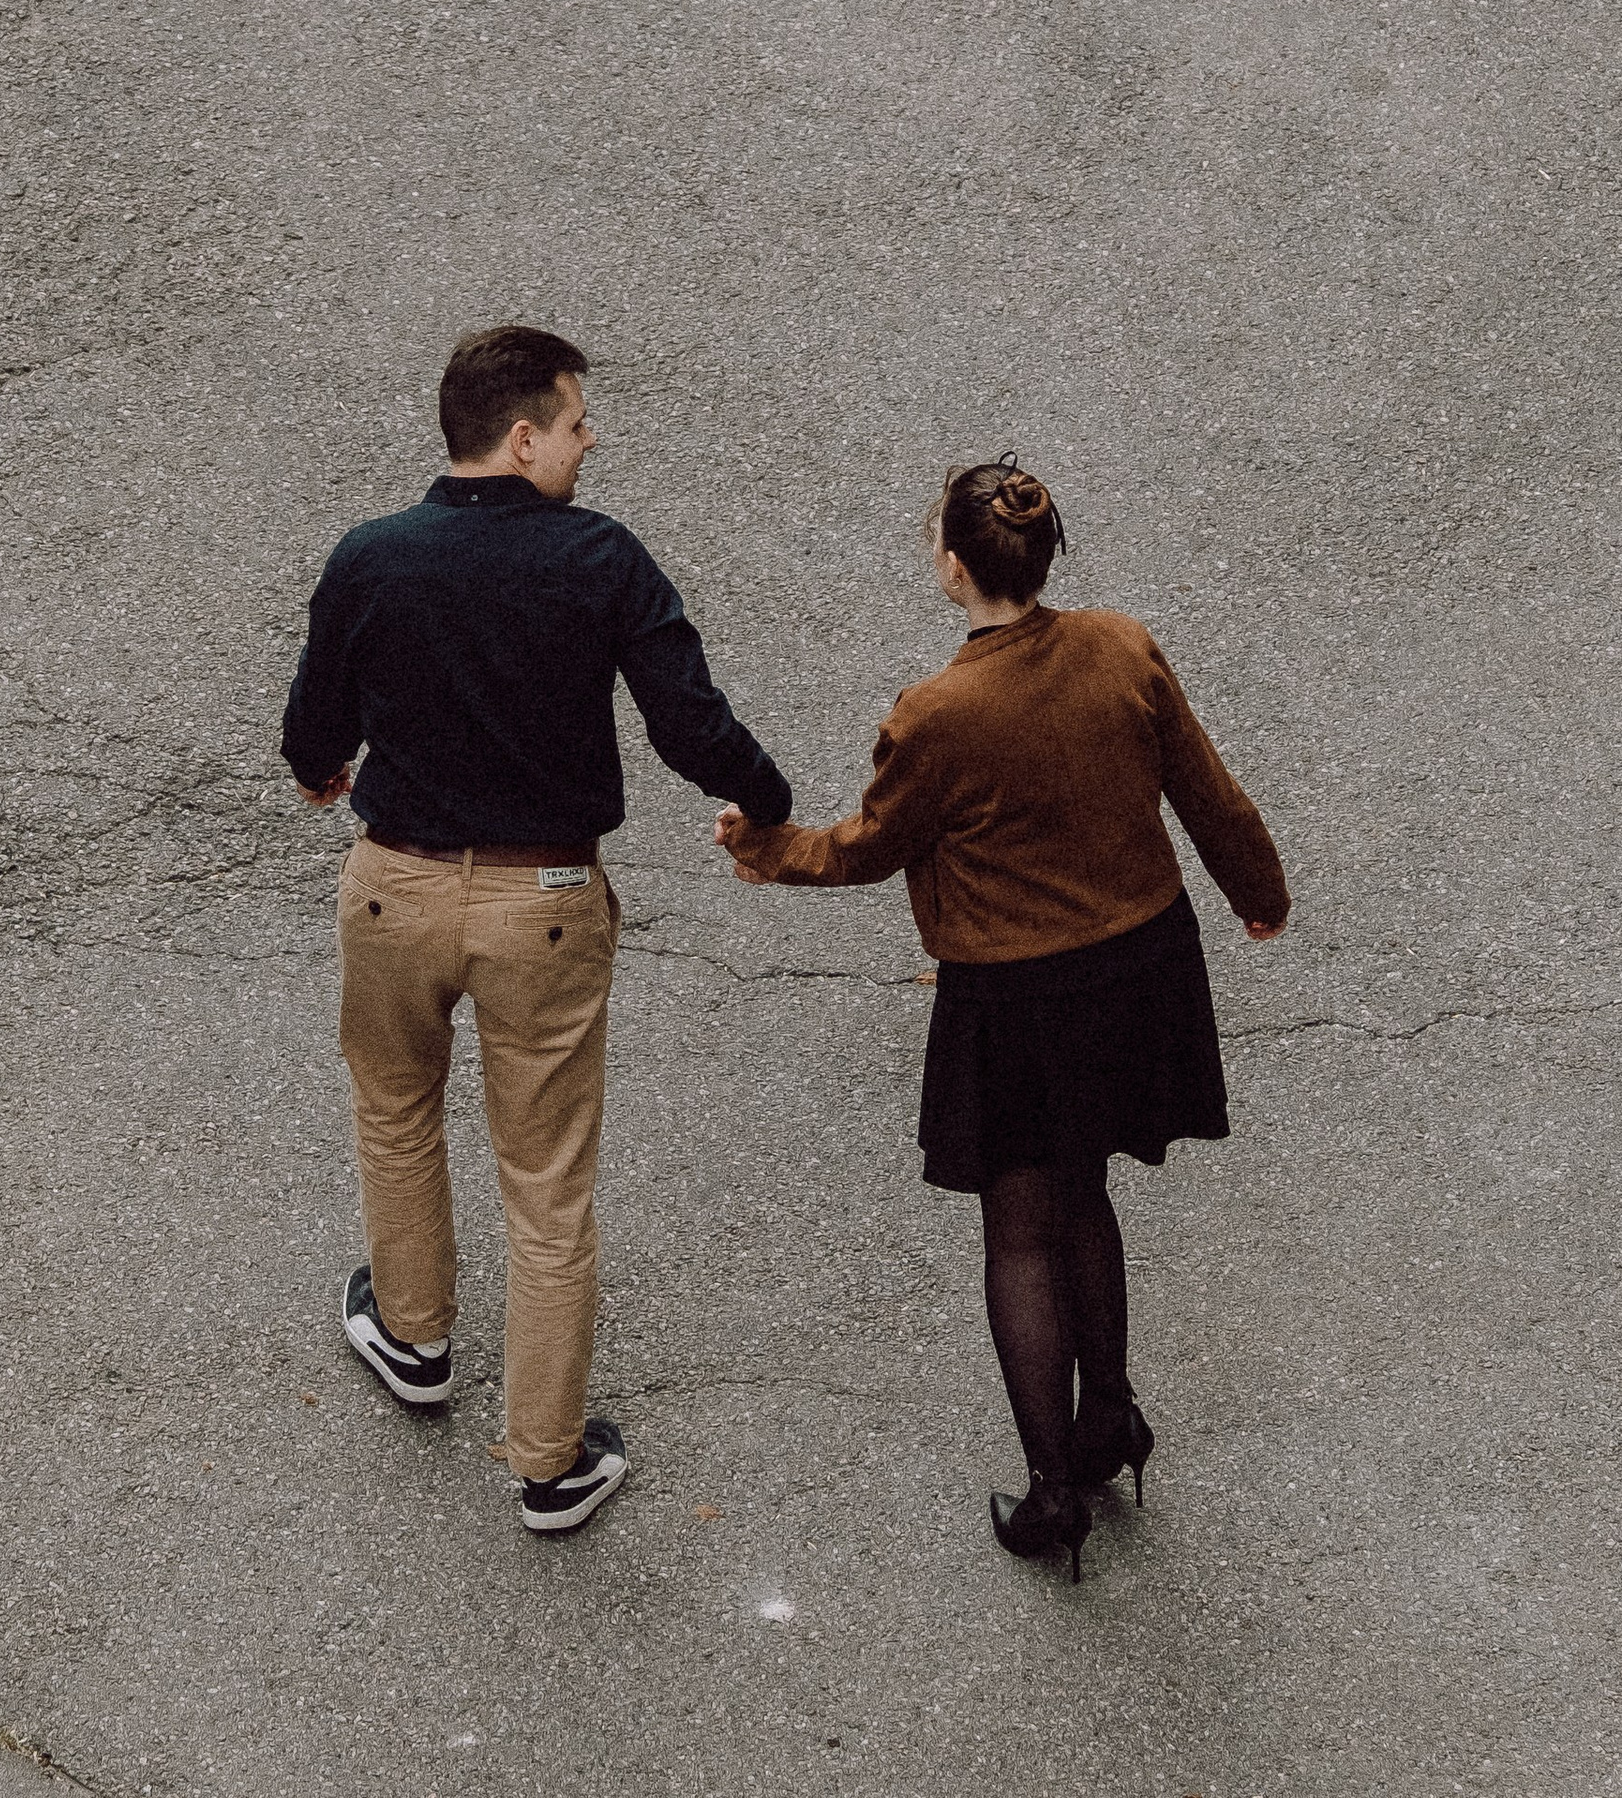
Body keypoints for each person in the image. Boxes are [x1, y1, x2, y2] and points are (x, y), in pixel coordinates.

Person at [715, 455, 1288, 1581]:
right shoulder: (1122, 647)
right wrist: (1259, 901)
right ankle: (1110, 1420)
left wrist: (765, 849)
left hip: (1016, 998)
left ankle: (1048, 1494)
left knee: (1019, 1230)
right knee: (1088, 1197)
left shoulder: (939, 713)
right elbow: (1207, 792)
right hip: (1138, 966)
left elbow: (870, 848)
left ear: (950, 568)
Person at [281, 322, 793, 1534]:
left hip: (391, 891)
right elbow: (689, 724)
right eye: (574, 419)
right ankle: (549, 1463)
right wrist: (765, 805)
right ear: (522, 439)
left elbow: (312, 732)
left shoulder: (370, 558)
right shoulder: (600, 561)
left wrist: (323, 771)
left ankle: (413, 1338)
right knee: (548, 1185)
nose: (588, 436)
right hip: (545, 907)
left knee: (397, 1111)